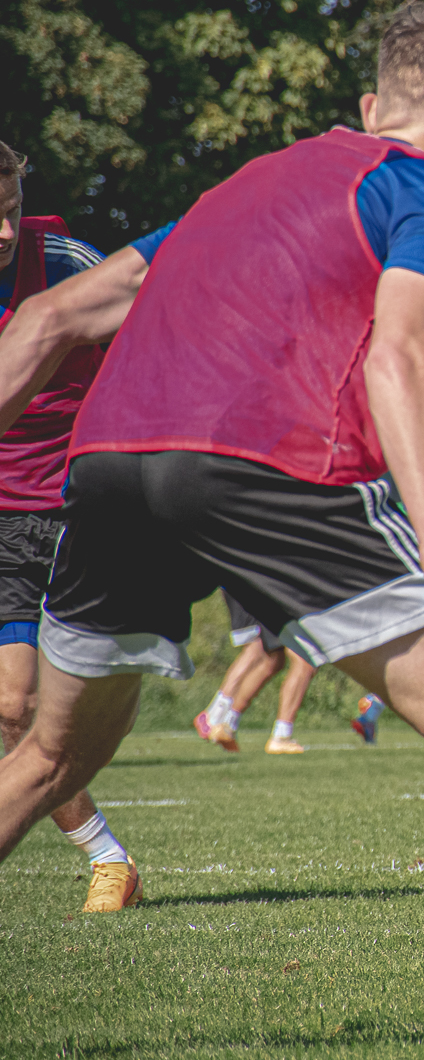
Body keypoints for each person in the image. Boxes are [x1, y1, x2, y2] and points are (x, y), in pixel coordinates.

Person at [0, 4, 424, 1058]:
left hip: (107, 462)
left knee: (50, 753)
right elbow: (399, 351)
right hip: (269, 460)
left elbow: (51, 320)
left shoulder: (246, 184)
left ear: (369, 106)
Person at [0, 138, 139, 913]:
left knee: (102, 695)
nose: (5, 232)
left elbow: (148, 351)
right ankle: (108, 859)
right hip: (5, 521)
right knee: (13, 705)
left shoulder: (66, 263)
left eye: (13, 210)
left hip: (85, 503)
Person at [194, 594, 319, 753]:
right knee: (258, 650)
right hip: (250, 587)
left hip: (264, 590)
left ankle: (227, 723)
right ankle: (214, 715)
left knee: (272, 660)